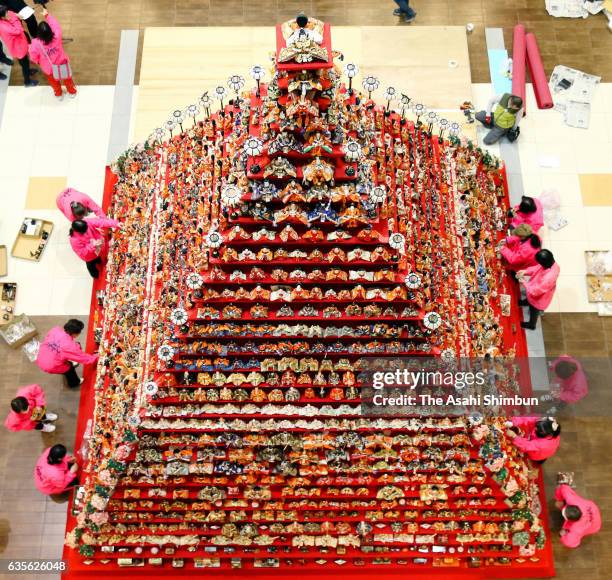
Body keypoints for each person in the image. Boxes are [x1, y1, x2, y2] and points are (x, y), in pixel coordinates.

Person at [29, 7, 76, 99]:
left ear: (38, 33)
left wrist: (39, 62)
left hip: (48, 68)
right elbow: (55, 25)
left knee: (54, 82)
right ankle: (72, 92)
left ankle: (58, 94)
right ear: (50, 31)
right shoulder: (57, 35)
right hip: (62, 63)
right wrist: (47, 15)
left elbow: (33, 57)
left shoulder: (35, 43)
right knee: (67, 79)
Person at [36, 319, 98, 388]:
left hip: (41, 355)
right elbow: (82, 357)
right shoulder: (70, 346)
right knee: (69, 369)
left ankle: (68, 363)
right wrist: (96, 358)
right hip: (51, 365)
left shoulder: (55, 330)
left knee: (73, 350)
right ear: (75, 334)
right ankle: (74, 383)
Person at [517, 249, 560, 330]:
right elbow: (538, 268)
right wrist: (526, 271)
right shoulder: (552, 264)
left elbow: (534, 291)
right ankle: (525, 302)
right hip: (535, 291)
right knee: (530, 299)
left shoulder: (548, 278)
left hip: (539, 300)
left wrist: (524, 282)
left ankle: (531, 325)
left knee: (533, 312)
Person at [0, 5, 37, 86]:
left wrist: (14, 16)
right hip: (18, 48)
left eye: (7, 12)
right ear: (1, 17)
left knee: (24, 62)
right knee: (24, 64)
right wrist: (16, 19)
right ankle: (27, 82)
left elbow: (11, 12)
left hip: (20, 44)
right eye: (6, 14)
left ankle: (28, 71)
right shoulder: (3, 27)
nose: (8, 14)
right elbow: (18, 30)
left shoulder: (5, 13)